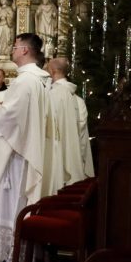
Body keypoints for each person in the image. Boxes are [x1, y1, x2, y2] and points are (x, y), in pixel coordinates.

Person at [0, 33, 50, 262]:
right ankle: (22, 256)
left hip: (16, 155)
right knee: (19, 204)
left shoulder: (25, 81)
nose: (12, 49)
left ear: (25, 50)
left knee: (11, 205)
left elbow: (11, 117)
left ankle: (11, 259)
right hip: (27, 149)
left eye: (15, 46)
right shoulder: (39, 80)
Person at [46, 58, 88, 192]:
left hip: (55, 153)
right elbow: (81, 130)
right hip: (73, 152)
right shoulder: (78, 100)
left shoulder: (51, 95)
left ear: (52, 71)